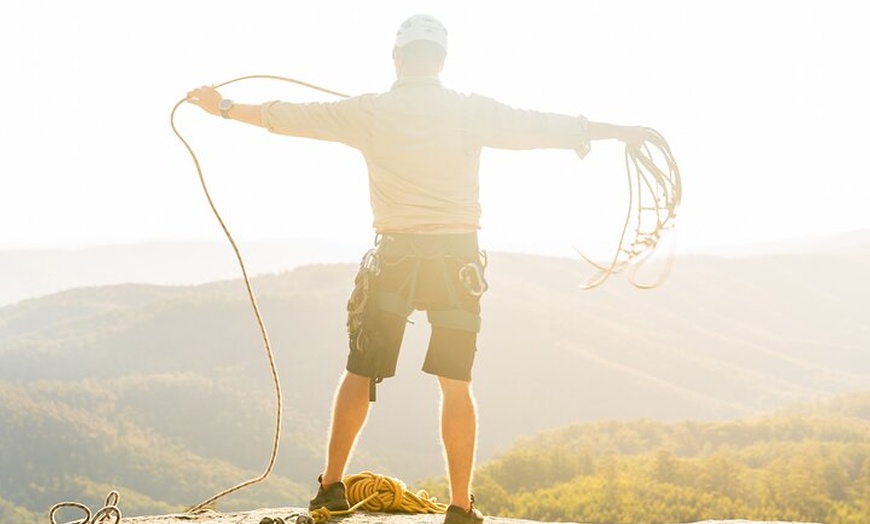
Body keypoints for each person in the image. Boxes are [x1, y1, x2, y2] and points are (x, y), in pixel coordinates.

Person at [187, 13, 648, 524]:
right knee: (456, 383)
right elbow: (537, 125)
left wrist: (222, 107)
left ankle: (332, 487)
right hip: (457, 262)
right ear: (443, 61)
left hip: (395, 259)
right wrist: (617, 131)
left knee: (360, 372)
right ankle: (459, 504)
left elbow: (289, 116)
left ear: (397, 58)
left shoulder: (370, 113)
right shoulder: (469, 112)